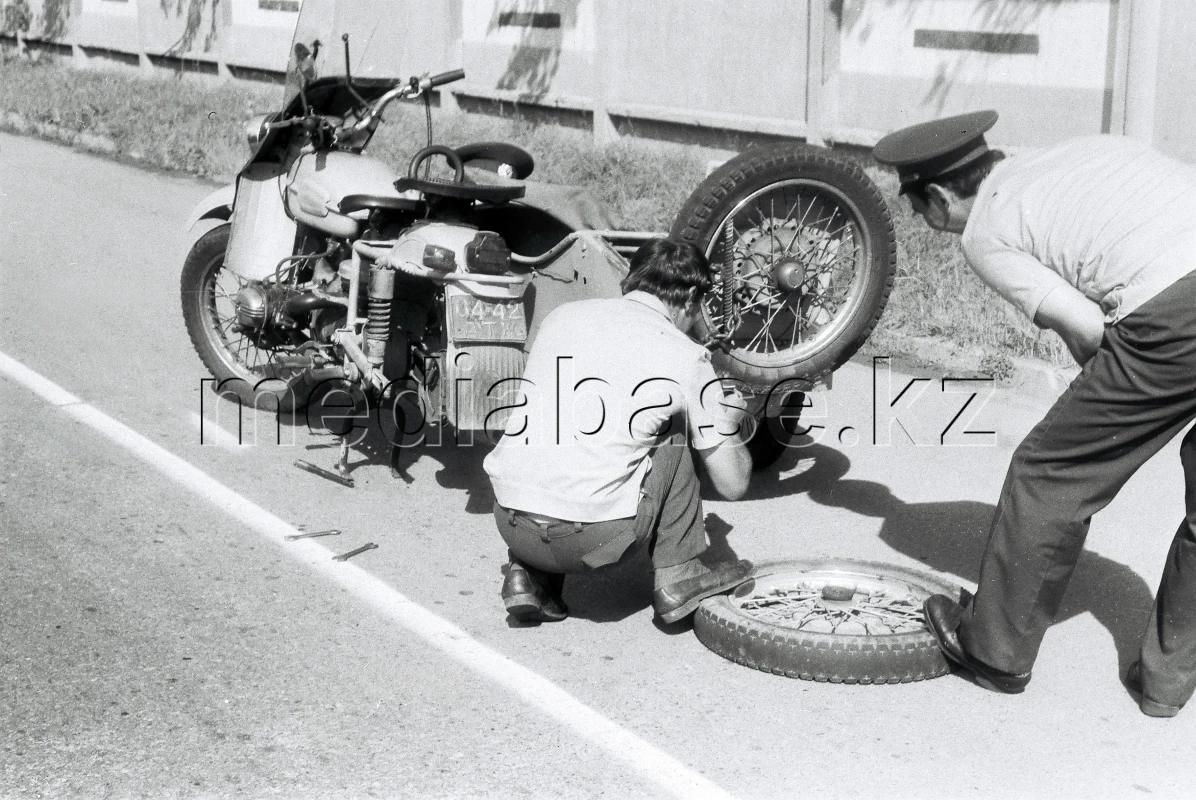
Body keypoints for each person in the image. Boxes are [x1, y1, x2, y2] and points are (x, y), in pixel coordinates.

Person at [872, 110, 1196, 716]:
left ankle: (994, 651)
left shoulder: (985, 230)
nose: (921, 220)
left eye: (915, 208)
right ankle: (1167, 683)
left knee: (1051, 473)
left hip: (1180, 313)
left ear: (938, 196)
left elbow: (1092, 331)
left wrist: (1105, 390)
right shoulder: (1087, 146)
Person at [482, 238, 754, 625]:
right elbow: (733, 484)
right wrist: (725, 423)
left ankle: (529, 574)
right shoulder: (685, 355)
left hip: (510, 524)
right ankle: (680, 575)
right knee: (675, 426)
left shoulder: (562, 316)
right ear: (692, 297)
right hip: (591, 542)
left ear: (632, 281)